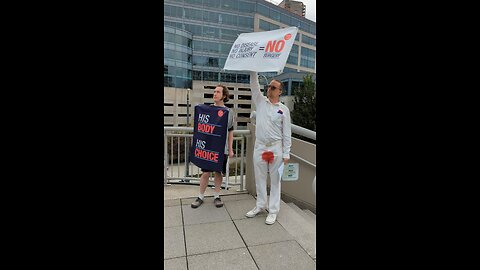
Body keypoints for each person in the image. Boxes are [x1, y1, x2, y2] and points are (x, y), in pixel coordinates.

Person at [245, 72, 291, 225]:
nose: (270, 89)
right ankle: (260, 205)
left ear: (280, 91)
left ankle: (273, 211)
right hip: (260, 147)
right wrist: (253, 71)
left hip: (275, 149)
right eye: (269, 86)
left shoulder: (283, 110)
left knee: (276, 180)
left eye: (273, 87)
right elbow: (254, 86)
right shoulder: (260, 102)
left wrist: (286, 153)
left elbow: (287, 134)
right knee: (259, 178)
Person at [191, 85, 234, 208]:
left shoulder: (229, 112)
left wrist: (230, 149)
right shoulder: (207, 110)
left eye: (218, 92)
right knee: (205, 173)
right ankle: (200, 196)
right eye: (214, 92)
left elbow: (230, 131)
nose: (215, 94)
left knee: (218, 172)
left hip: (222, 148)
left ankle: (216, 196)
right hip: (208, 147)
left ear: (224, 96)